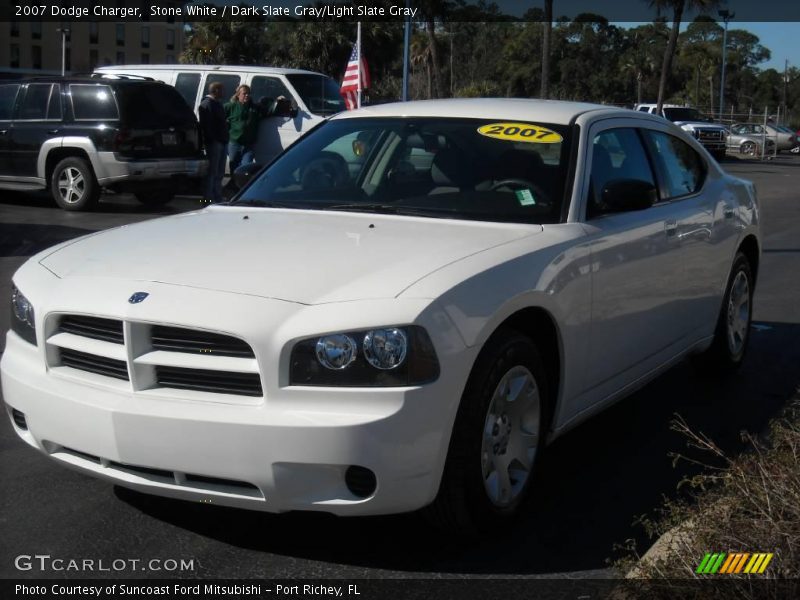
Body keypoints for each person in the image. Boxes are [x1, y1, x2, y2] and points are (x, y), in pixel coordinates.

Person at [225, 85, 293, 174]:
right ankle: (234, 185)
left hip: (248, 145)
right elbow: (218, 118)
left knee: (247, 168)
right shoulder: (230, 106)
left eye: (248, 94)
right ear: (238, 95)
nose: (247, 96)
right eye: (244, 94)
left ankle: (244, 185)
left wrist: (278, 101)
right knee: (234, 168)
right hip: (234, 143)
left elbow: (269, 111)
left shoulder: (255, 108)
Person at [198, 81, 228, 204]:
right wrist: (213, 139)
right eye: (221, 90)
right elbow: (207, 125)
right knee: (212, 172)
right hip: (215, 143)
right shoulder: (207, 104)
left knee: (220, 172)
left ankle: (217, 196)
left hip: (222, 141)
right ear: (215, 90)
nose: (223, 92)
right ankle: (208, 198)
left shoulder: (217, 104)